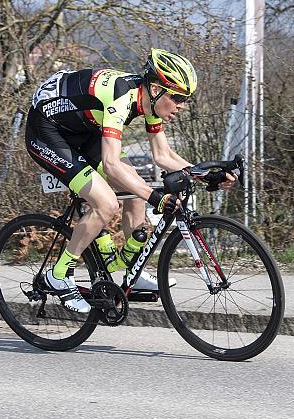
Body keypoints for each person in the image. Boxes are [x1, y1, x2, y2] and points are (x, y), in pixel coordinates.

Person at [25, 48, 236, 313]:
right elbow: (112, 165)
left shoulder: (149, 101)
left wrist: (207, 174)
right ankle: (58, 275)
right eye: (178, 98)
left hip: (85, 128)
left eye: (185, 99)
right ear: (157, 88)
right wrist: (156, 197)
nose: (182, 106)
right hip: (48, 130)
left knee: (136, 191)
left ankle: (131, 275)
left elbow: (163, 155)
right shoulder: (121, 97)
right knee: (106, 203)